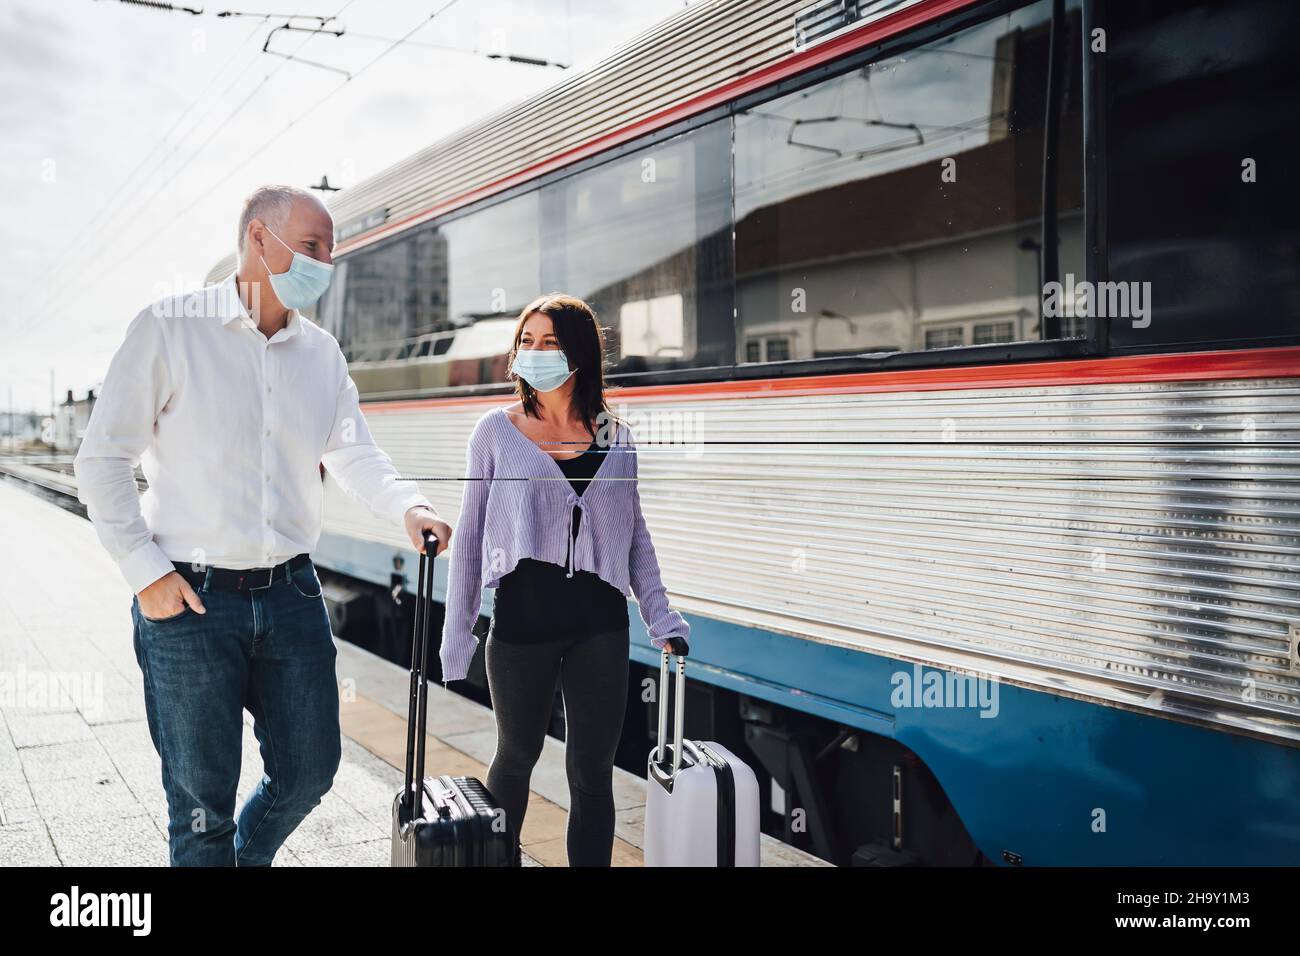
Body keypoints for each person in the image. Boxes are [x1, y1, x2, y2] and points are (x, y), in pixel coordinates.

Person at [73, 184, 452, 866]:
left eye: (331, 250)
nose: (325, 262)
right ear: (257, 238)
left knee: (311, 770)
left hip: (291, 595)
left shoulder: (321, 355)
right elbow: (102, 459)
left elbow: (354, 451)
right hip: (189, 601)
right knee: (201, 811)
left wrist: (408, 505)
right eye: (311, 246)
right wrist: (144, 571)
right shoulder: (170, 328)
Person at [440, 293, 689, 867]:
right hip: (523, 623)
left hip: (599, 626)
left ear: (578, 350)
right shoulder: (495, 432)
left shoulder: (614, 437)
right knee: (515, 756)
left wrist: (662, 617)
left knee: (591, 773)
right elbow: (471, 539)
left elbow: (635, 536)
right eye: (526, 341)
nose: (534, 352)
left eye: (549, 342)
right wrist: (458, 637)